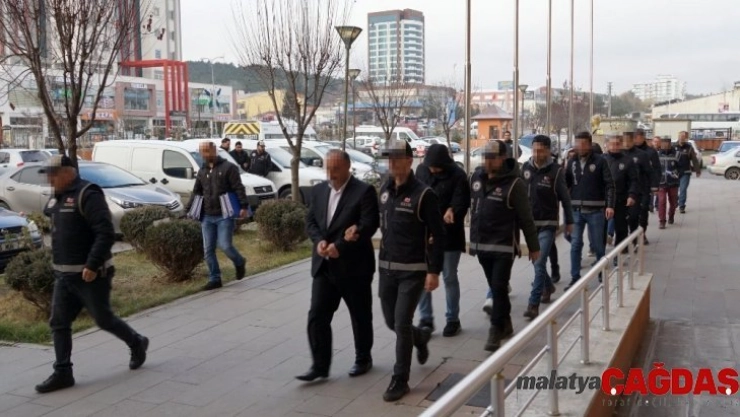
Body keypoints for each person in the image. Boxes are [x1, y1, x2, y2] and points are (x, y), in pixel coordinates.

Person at [35, 155, 149, 393]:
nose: (50, 180)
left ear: (68, 172)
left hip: (91, 275)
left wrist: (93, 264)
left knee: (103, 319)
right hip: (63, 275)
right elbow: (52, 216)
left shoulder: (88, 194)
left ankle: (136, 342)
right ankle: (63, 372)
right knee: (59, 322)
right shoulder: (58, 196)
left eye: (53, 175)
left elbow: (105, 232)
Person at [298, 150, 379, 382]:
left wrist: (341, 246)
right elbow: (311, 221)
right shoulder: (319, 191)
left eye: (336, 169)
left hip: (354, 267)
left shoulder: (363, 191)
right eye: (328, 168)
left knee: (360, 315)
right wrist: (319, 241)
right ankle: (319, 365)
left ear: (347, 167)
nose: (330, 174)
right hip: (324, 266)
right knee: (317, 315)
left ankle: (363, 358)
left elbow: (369, 224)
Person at [377, 140, 445, 402]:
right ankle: (421, 337)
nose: (392, 163)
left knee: (401, 322)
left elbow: (438, 235)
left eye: (397, 158)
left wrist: (434, 271)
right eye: (389, 159)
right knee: (391, 321)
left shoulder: (424, 195)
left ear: (409, 161)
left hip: (413, 270)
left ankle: (400, 379)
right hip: (386, 269)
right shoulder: (384, 190)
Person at [470, 140, 540, 351]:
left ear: (503, 158)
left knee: (499, 286)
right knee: (496, 287)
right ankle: (506, 322)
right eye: (486, 157)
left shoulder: (514, 184)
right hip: (482, 244)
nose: (488, 161)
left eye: (492, 157)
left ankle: (495, 329)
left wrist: (533, 246)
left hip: (503, 246)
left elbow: (526, 218)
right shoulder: (476, 179)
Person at [415, 144, 470, 337]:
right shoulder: (421, 171)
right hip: (424, 235)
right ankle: (426, 319)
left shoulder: (458, 175)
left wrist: (452, 210)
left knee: (449, 276)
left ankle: (452, 319)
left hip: (449, 234)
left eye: (436, 167)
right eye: (430, 166)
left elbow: (462, 202)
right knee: (423, 276)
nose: (432, 170)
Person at [521, 136, 573, 320]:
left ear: (548, 151)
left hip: (548, 224)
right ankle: (548, 286)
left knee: (539, 261)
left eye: (541, 150)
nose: (537, 153)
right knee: (538, 263)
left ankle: (533, 304)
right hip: (530, 225)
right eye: (534, 150)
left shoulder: (556, 171)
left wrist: (569, 221)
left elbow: (565, 198)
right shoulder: (525, 168)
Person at [186, 142, 248, 291]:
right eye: (203, 152)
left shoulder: (229, 168)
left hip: (224, 214)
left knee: (225, 245)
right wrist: (188, 209)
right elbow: (197, 192)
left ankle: (239, 261)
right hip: (207, 216)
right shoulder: (202, 171)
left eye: (207, 151)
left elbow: (238, 187)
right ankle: (215, 278)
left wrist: (243, 206)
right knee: (208, 250)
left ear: (214, 151)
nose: (205, 155)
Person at [564, 132, 615, 291]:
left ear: (590, 145)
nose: (580, 147)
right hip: (576, 210)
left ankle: (601, 273)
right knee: (575, 244)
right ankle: (575, 277)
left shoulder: (600, 161)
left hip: (596, 211)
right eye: (578, 143)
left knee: (599, 246)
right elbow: (565, 184)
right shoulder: (572, 161)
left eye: (583, 144)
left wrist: (610, 205)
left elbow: (609, 185)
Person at [603, 135, 640, 263]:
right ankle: (600, 257)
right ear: (607, 145)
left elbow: (634, 180)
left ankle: (617, 255)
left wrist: (631, 195)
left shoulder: (627, 161)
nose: (614, 146)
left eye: (617, 144)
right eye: (612, 144)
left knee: (621, 228)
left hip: (621, 199)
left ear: (621, 145)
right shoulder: (602, 160)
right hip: (604, 200)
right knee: (601, 229)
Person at [634, 129, 660, 243]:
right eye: (635, 137)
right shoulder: (628, 151)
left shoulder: (651, 152)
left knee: (644, 210)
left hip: (645, 186)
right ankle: (633, 233)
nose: (636, 140)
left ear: (643, 138)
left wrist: (655, 185)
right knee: (632, 212)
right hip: (631, 187)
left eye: (638, 137)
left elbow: (656, 169)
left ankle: (642, 233)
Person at [675, 131, 701, 213]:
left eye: (684, 137)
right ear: (678, 137)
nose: (682, 138)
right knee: (674, 190)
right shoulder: (673, 147)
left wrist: (697, 170)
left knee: (683, 189)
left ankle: (681, 206)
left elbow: (694, 160)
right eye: (681, 136)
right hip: (675, 172)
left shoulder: (689, 147)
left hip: (685, 172)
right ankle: (675, 201)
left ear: (686, 138)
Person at [657, 137, 680, 229]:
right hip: (661, 182)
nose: (665, 145)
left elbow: (681, 168)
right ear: (661, 144)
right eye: (663, 143)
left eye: (667, 143)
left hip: (673, 182)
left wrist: (677, 174)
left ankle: (671, 215)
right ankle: (662, 221)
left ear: (670, 144)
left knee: (673, 202)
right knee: (662, 201)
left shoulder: (677, 154)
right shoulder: (657, 154)